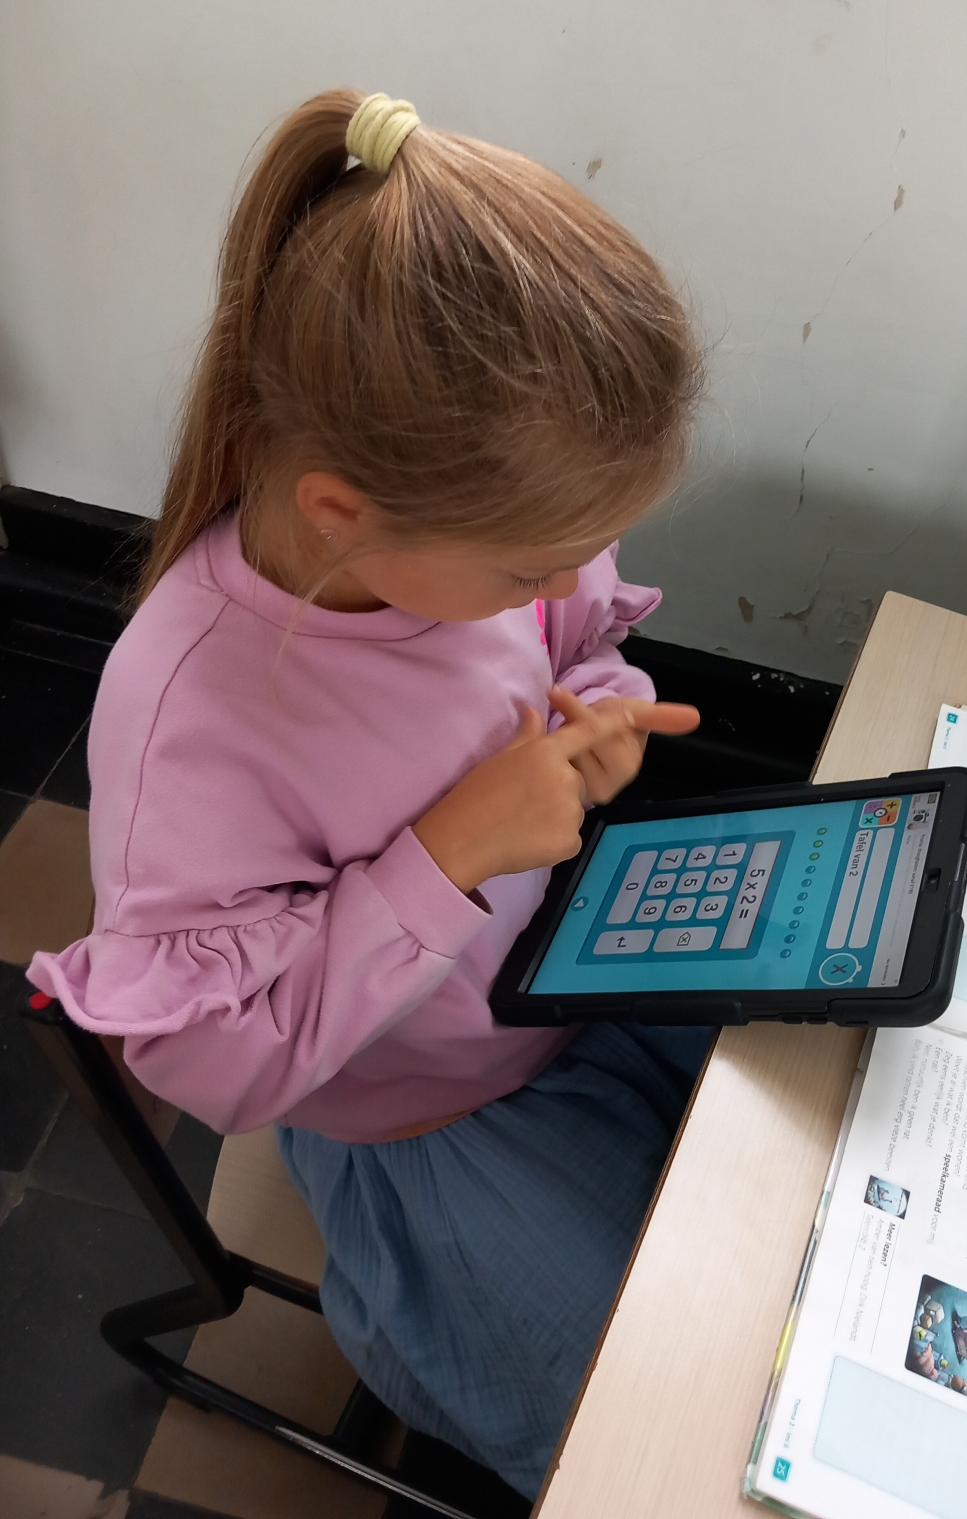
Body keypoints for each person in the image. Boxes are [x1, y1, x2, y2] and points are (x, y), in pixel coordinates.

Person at [27, 89, 710, 1500]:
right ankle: (401, 1323)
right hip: (427, 1117)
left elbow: (581, 634)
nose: (560, 580)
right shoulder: (193, 714)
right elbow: (214, 1060)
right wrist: (442, 859)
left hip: (579, 971)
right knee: (648, 1427)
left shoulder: (493, 537)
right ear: (342, 511)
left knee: (813, 1137)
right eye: (529, 567)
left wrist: (602, 707)